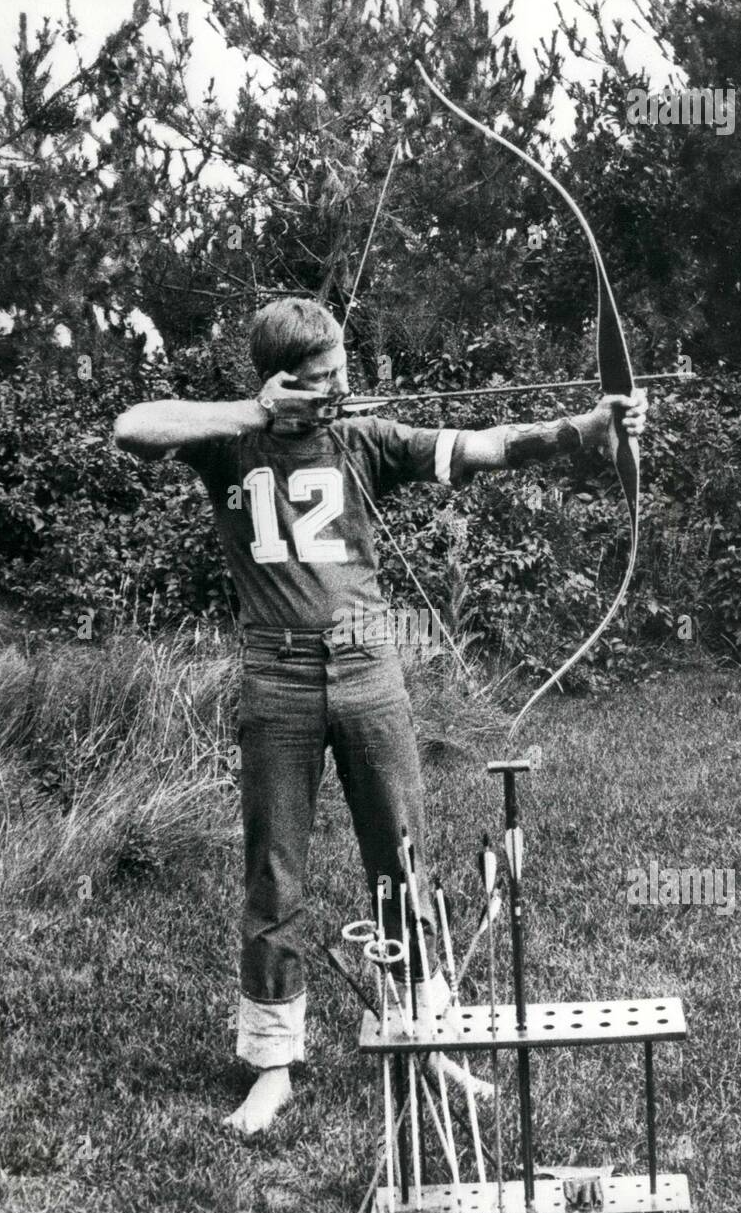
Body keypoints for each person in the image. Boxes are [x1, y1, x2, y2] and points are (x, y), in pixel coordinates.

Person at [115, 297, 649, 1136]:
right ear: (280, 379)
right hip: (275, 679)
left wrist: (585, 427)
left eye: (340, 373)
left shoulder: (367, 439)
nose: (338, 389)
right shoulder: (226, 441)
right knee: (273, 873)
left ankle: (427, 1039)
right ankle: (271, 1066)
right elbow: (131, 427)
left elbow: (484, 448)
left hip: (370, 671)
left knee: (403, 861)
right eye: (320, 380)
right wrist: (258, 412)